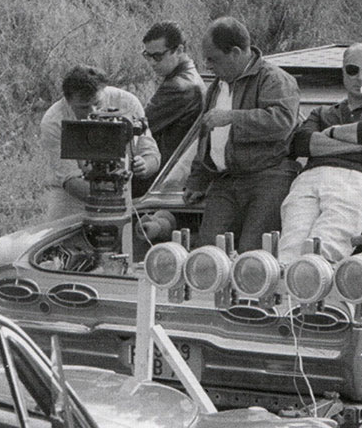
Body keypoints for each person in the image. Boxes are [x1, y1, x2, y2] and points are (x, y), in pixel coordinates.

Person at [278, 43, 362, 265]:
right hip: (309, 180)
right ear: (343, 73)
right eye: (352, 70)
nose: (360, 77)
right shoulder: (322, 112)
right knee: (289, 250)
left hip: (356, 182)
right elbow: (302, 143)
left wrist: (332, 132)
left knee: (321, 254)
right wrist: (361, 146)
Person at [182, 17, 299, 253]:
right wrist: (197, 179)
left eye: (213, 59)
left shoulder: (274, 79)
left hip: (267, 180)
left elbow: (282, 122)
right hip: (225, 180)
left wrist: (232, 117)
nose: (208, 65)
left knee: (253, 254)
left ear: (235, 52)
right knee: (206, 254)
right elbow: (207, 137)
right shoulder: (217, 86)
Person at [40, 65, 160, 220]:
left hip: (121, 193)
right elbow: (69, 179)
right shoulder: (54, 121)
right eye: (84, 107)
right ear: (68, 101)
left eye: (97, 103)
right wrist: (107, 199)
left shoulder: (127, 103)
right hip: (71, 199)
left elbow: (151, 153)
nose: (93, 112)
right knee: (64, 235)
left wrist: (145, 165)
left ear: (104, 91)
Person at [141, 21, 206, 172]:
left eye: (157, 56)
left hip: (163, 172)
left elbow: (138, 126)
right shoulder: (189, 77)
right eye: (147, 55)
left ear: (179, 50)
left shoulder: (178, 86)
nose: (151, 63)